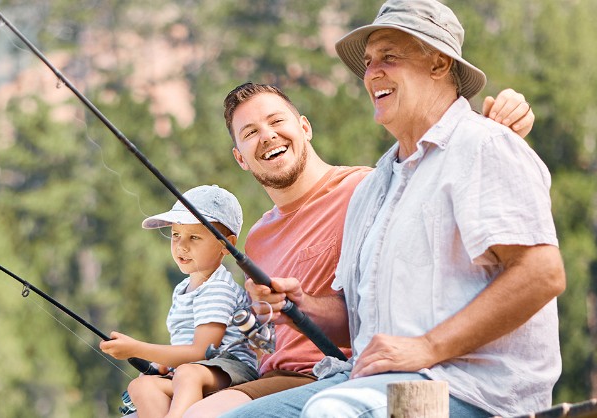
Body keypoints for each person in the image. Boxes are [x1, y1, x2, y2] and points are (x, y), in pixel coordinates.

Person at [232, 0, 567, 417]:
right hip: (367, 380)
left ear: (440, 64)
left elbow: (541, 273)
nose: (372, 73)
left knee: (332, 413)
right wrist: (299, 306)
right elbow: (356, 319)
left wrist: (428, 347)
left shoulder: (484, 145)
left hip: (470, 391)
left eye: (389, 57)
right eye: (369, 62)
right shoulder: (373, 187)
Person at [181, 80, 534, 417]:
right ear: (240, 158)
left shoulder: (367, 190)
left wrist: (498, 125)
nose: (268, 135)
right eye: (250, 132)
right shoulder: (257, 237)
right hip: (279, 379)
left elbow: (441, 182)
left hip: (356, 377)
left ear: (305, 127)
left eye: (276, 121)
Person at [100, 185, 260, 418]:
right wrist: (159, 367)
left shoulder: (218, 288)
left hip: (229, 370)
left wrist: (136, 349)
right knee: (140, 387)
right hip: (193, 371)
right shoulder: (182, 289)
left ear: (226, 245)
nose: (182, 246)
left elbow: (201, 352)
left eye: (194, 237)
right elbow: (182, 344)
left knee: (187, 374)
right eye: (176, 235)